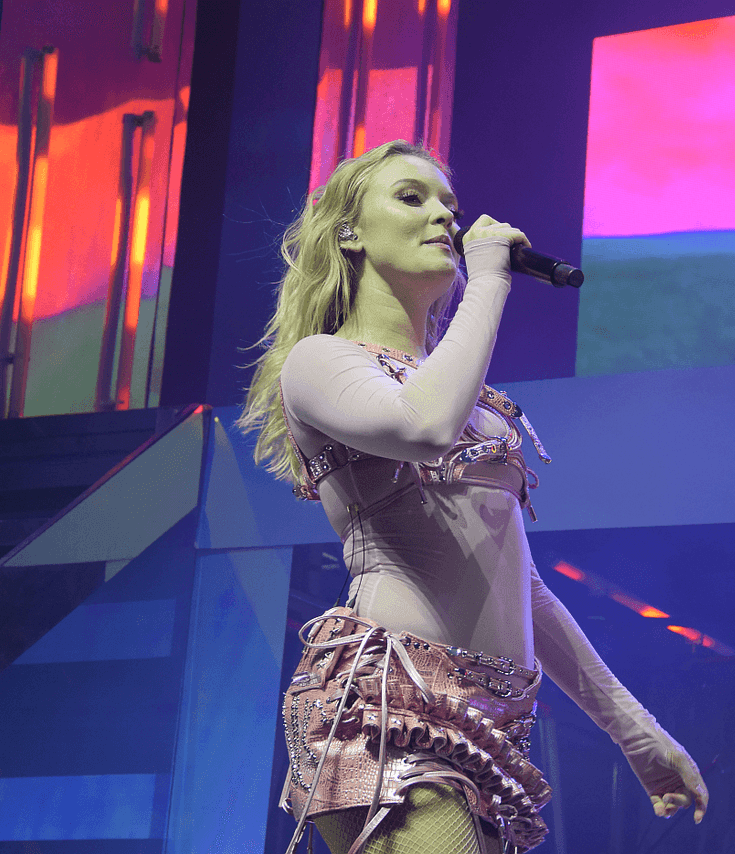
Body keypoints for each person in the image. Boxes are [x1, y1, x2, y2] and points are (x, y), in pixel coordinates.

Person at [240, 140, 707, 854]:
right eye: (412, 197)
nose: (445, 218)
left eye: (449, 206)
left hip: (492, 728)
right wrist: (488, 280)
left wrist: (636, 732)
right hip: (389, 706)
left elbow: (522, 585)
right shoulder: (322, 360)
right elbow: (423, 426)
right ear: (350, 232)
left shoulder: (470, 399)